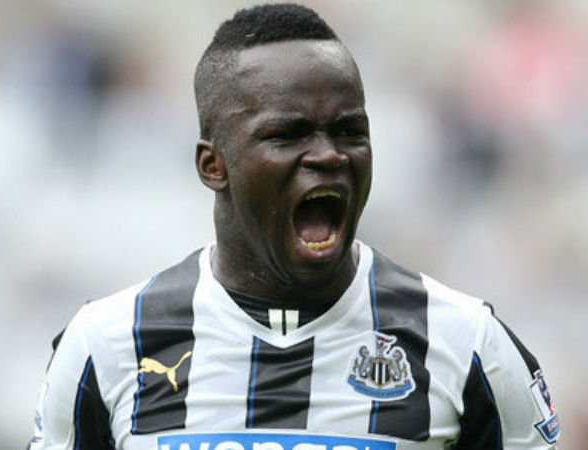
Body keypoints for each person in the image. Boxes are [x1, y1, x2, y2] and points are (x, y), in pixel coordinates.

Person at [28, 4, 560, 450]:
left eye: (349, 131)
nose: (329, 155)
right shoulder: (109, 342)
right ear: (213, 165)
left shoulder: (464, 341)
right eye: (289, 134)